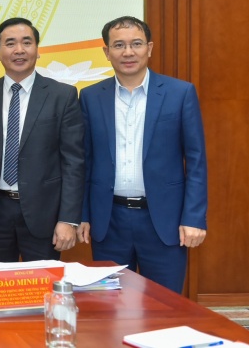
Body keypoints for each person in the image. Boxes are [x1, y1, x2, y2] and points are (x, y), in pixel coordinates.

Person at [77, 16, 207, 293]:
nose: (128, 52)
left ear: (149, 48)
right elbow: (85, 161)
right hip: (108, 221)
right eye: (119, 45)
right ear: (106, 52)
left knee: (165, 306)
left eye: (136, 44)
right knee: (111, 308)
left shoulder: (179, 93)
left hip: (164, 222)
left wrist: (193, 218)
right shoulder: (90, 97)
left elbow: (196, 161)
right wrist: (83, 214)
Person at [0, 17, 84, 261]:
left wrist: (68, 219)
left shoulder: (62, 95)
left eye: (27, 42)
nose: (19, 50)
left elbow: (74, 162)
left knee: (44, 282)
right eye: (10, 43)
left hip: (45, 214)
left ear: (37, 50)